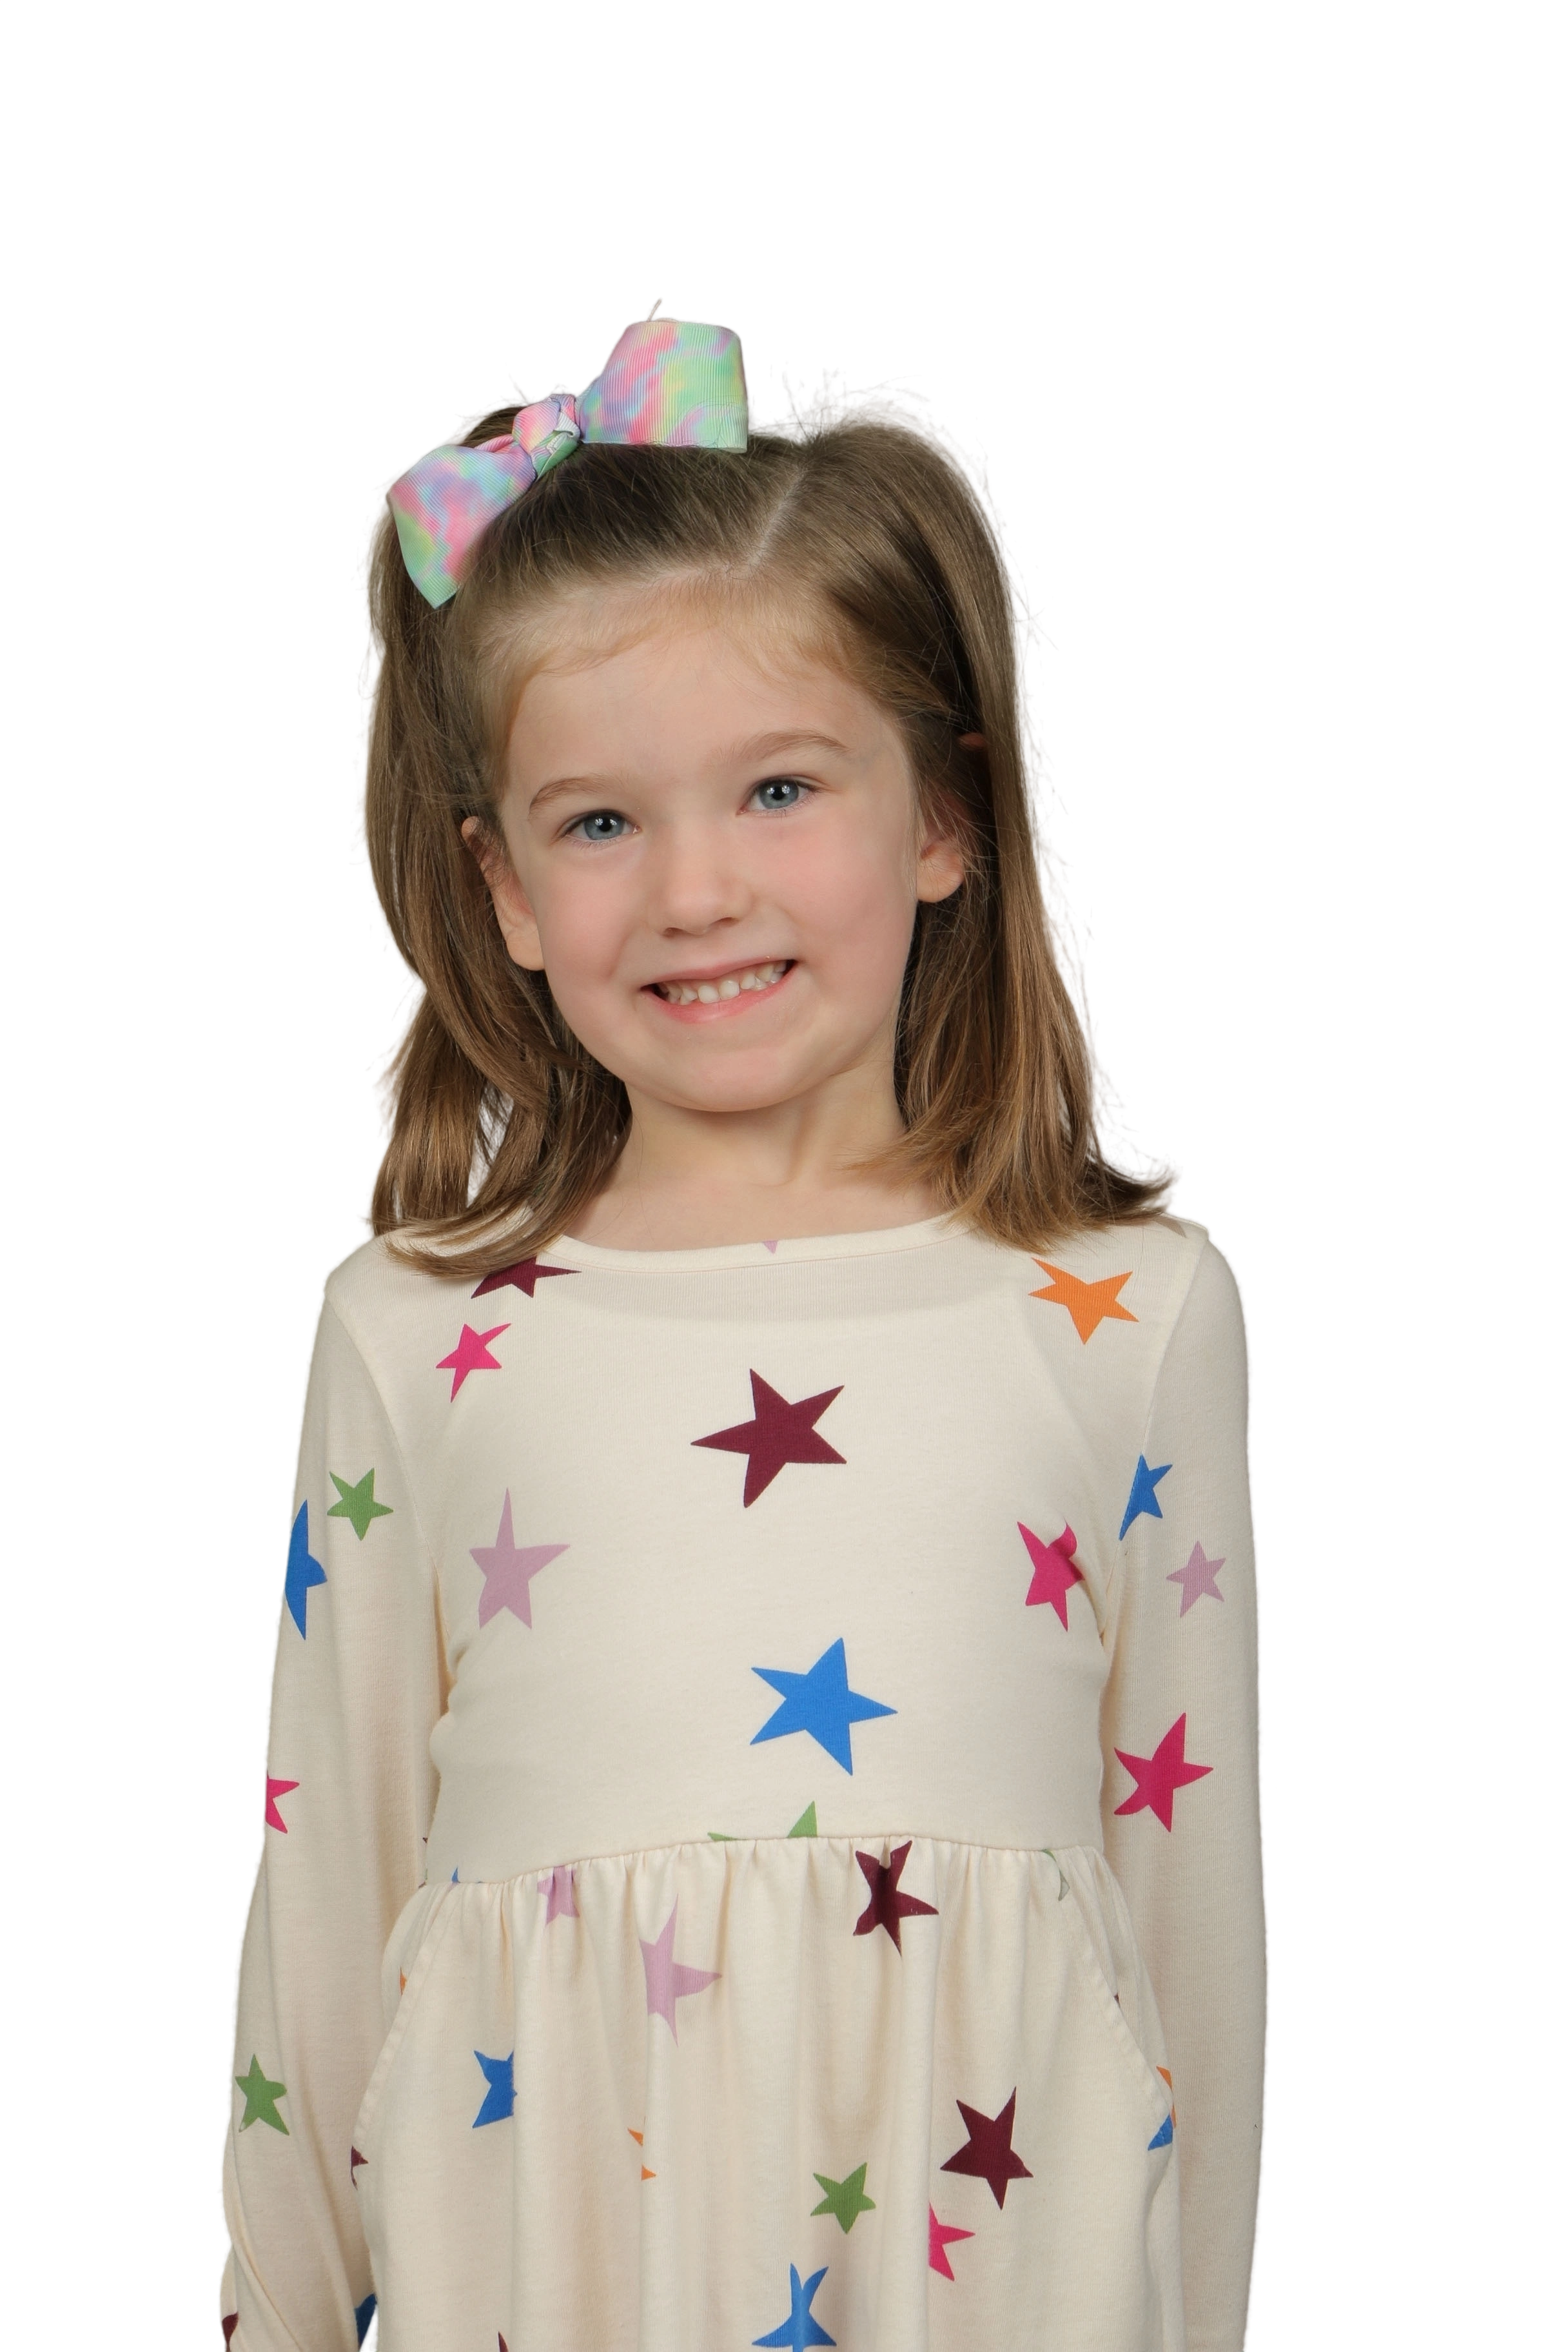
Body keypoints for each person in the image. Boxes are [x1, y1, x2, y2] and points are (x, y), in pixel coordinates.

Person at [216, 305, 1268, 2352]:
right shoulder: (415, 1331)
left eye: (778, 787)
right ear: (505, 891)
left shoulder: (1132, 1310)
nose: (695, 891)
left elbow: (1193, 1942)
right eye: (601, 823)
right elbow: (320, 1928)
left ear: (944, 817)